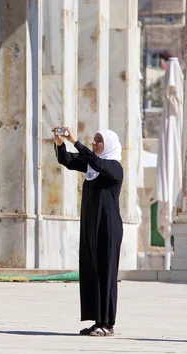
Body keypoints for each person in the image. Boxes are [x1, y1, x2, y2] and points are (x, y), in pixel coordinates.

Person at [53, 127, 124, 337]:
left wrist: (75, 141)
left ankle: (108, 323)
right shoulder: (92, 168)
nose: (94, 143)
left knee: (106, 274)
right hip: (92, 228)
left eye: (99, 141)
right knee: (92, 271)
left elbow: (96, 161)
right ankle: (97, 321)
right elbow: (67, 160)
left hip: (108, 229)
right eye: (93, 140)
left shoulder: (114, 167)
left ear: (109, 144)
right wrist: (59, 142)